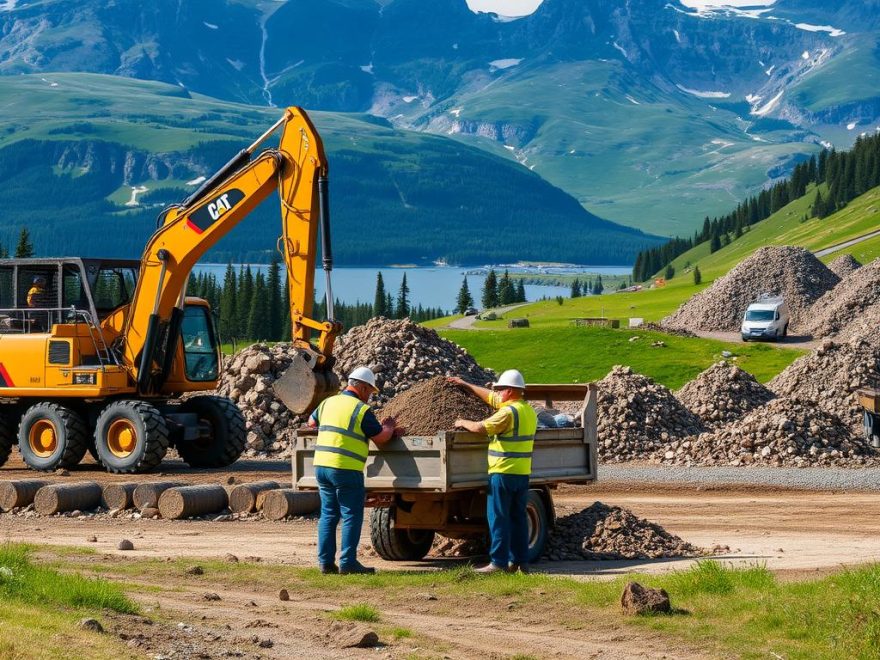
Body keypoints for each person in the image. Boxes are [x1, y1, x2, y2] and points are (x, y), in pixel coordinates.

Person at [307, 366, 404, 575]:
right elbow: (380, 437)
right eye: (369, 390)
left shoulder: (327, 402)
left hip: (322, 466)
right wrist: (389, 427)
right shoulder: (360, 410)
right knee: (351, 514)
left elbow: (311, 422)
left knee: (328, 514)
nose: (370, 395)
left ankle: (325, 563)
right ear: (360, 386)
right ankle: (348, 562)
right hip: (346, 467)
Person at [448, 369, 537, 574]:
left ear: (510, 391)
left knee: (498, 518)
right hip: (522, 473)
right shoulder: (527, 410)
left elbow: (480, 428)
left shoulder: (507, 413)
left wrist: (461, 422)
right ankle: (521, 563)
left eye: (500, 389)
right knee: (518, 518)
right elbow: (490, 397)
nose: (497, 392)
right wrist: (466, 384)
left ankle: (498, 563)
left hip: (503, 473)